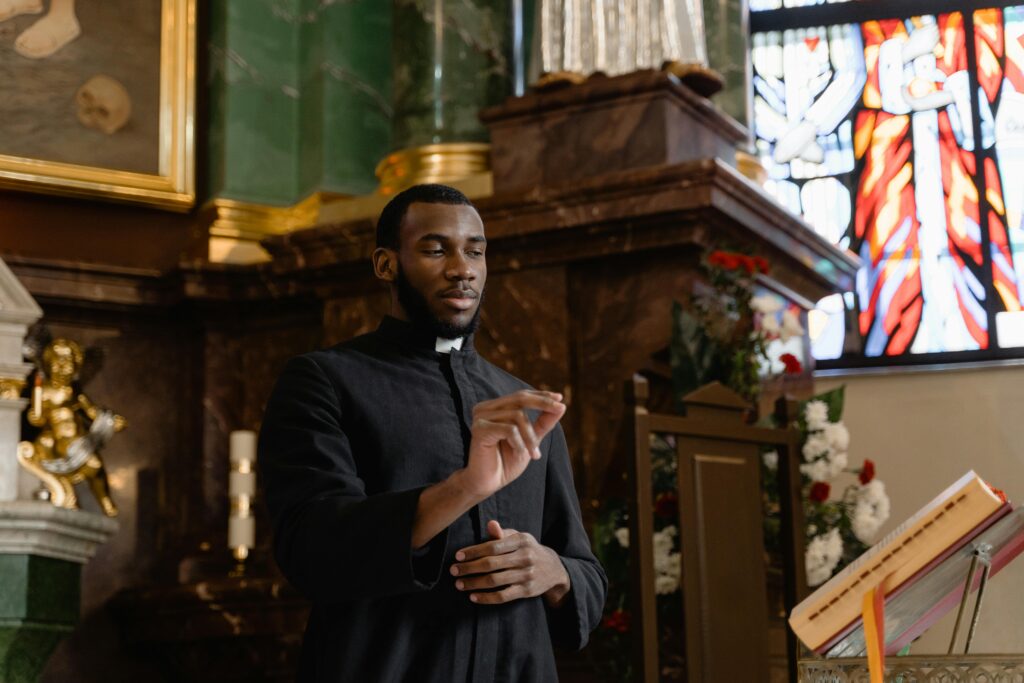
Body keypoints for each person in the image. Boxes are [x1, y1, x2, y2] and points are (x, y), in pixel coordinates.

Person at [258, 183, 607, 682]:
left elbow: (587, 577)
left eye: (475, 251)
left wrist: (554, 570)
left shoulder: (525, 405)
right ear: (386, 264)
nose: (462, 268)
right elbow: (311, 549)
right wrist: (465, 488)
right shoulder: (326, 381)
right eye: (435, 249)